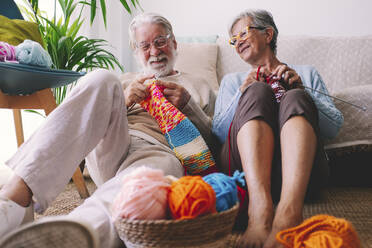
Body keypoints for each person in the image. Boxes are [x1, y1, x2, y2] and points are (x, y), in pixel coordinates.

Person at [0, 13, 216, 248]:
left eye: (160, 41)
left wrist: (189, 106)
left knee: (141, 182)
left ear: (174, 43)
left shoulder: (201, 85)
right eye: (145, 45)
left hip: (160, 151)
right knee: (102, 78)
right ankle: (16, 197)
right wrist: (124, 100)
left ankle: (66, 236)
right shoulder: (125, 81)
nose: (154, 51)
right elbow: (92, 118)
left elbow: (215, 145)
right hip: (112, 145)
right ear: (136, 51)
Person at [212, 9, 343, 248]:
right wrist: (242, 95)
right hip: (246, 174)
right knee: (257, 91)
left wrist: (305, 91)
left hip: (303, 177)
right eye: (233, 40)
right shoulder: (232, 81)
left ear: (268, 34)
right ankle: (259, 208)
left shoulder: (306, 73)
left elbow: (333, 129)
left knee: (295, 96)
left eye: (243, 33)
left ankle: (289, 211)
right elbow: (219, 134)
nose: (237, 41)